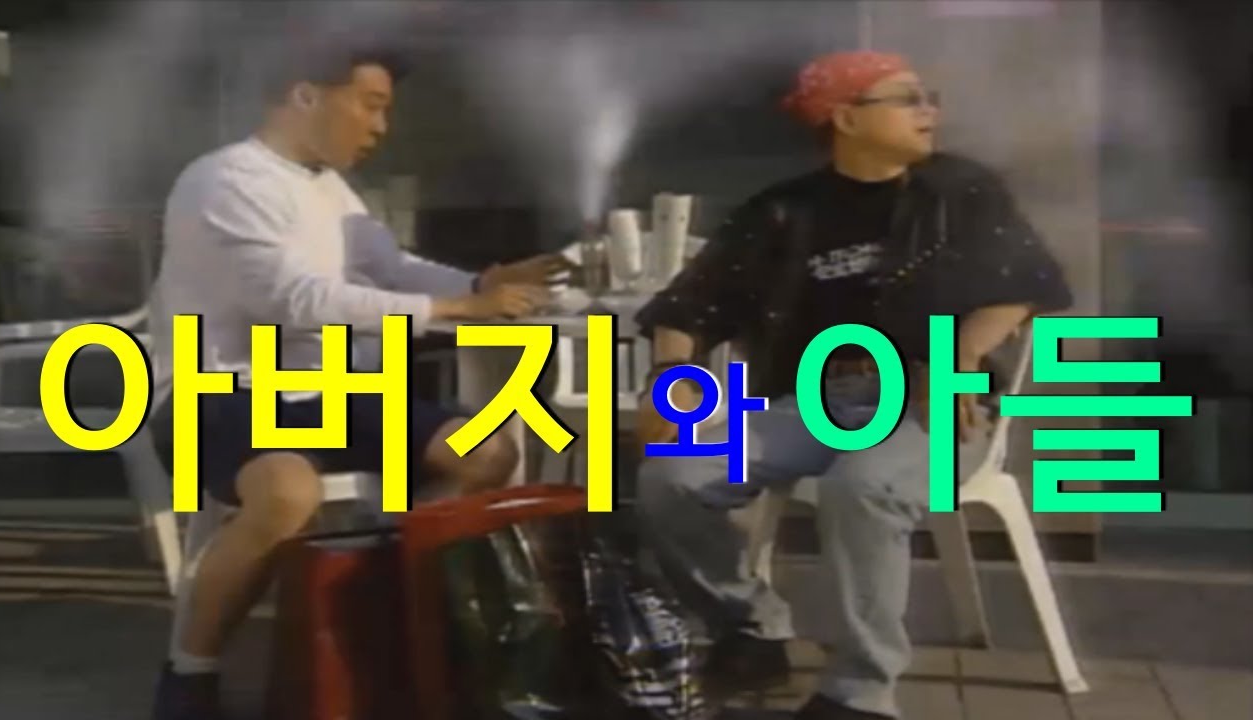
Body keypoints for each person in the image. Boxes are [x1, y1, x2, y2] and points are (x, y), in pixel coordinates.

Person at [633, 51, 1073, 720]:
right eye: (907, 99)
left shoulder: (961, 192)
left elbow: (1025, 287)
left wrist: (958, 358)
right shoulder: (783, 210)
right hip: (812, 401)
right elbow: (688, 305)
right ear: (845, 118)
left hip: (929, 399)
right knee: (673, 476)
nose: (929, 111)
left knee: (861, 485)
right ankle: (750, 625)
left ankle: (861, 692)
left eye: (929, 96)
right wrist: (672, 379)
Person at [147, 41, 565, 720]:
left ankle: (393, 618)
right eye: (370, 106)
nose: (380, 128)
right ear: (306, 95)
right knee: (288, 493)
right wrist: (456, 308)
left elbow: (392, 268)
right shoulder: (225, 182)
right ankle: (190, 674)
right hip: (220, 390)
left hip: (331, 392)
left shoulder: (330, 188)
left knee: (487, 452)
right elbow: (297, 300)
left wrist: (482, 282)